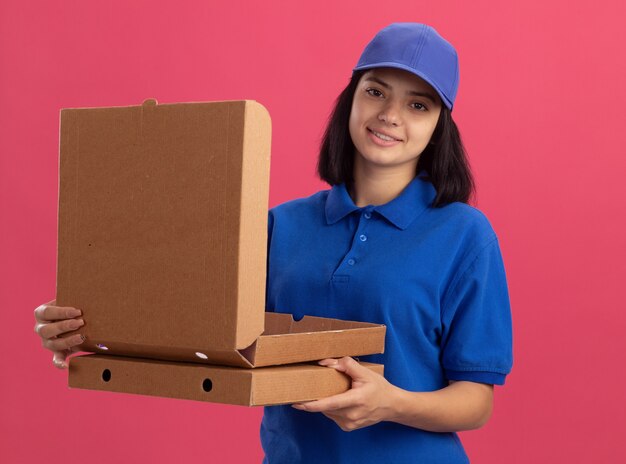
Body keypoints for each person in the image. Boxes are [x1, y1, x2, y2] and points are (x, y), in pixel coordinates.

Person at [34, 23, 513, 464]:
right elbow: (195, 326)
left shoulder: (465, 235)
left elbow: (476, 400)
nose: (389, 115)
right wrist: (91, 324)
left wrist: (392, 403)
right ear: (351, 100)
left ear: (438, 128)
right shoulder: (280, 226)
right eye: (375, 92)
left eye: (417, 104)